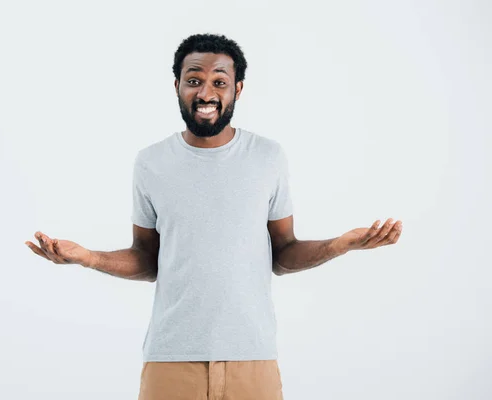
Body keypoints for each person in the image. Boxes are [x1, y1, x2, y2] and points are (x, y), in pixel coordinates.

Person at [25, 33, 403, 400]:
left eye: (219, 81)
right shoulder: (152, 162)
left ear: (237, 89)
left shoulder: (267, 157)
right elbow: (147, 258)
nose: (206, 93)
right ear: (177, 86)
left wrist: (340, 245)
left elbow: (283, 254)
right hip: (170, 360)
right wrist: (87, 257)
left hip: (252, 358)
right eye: (194, 80)